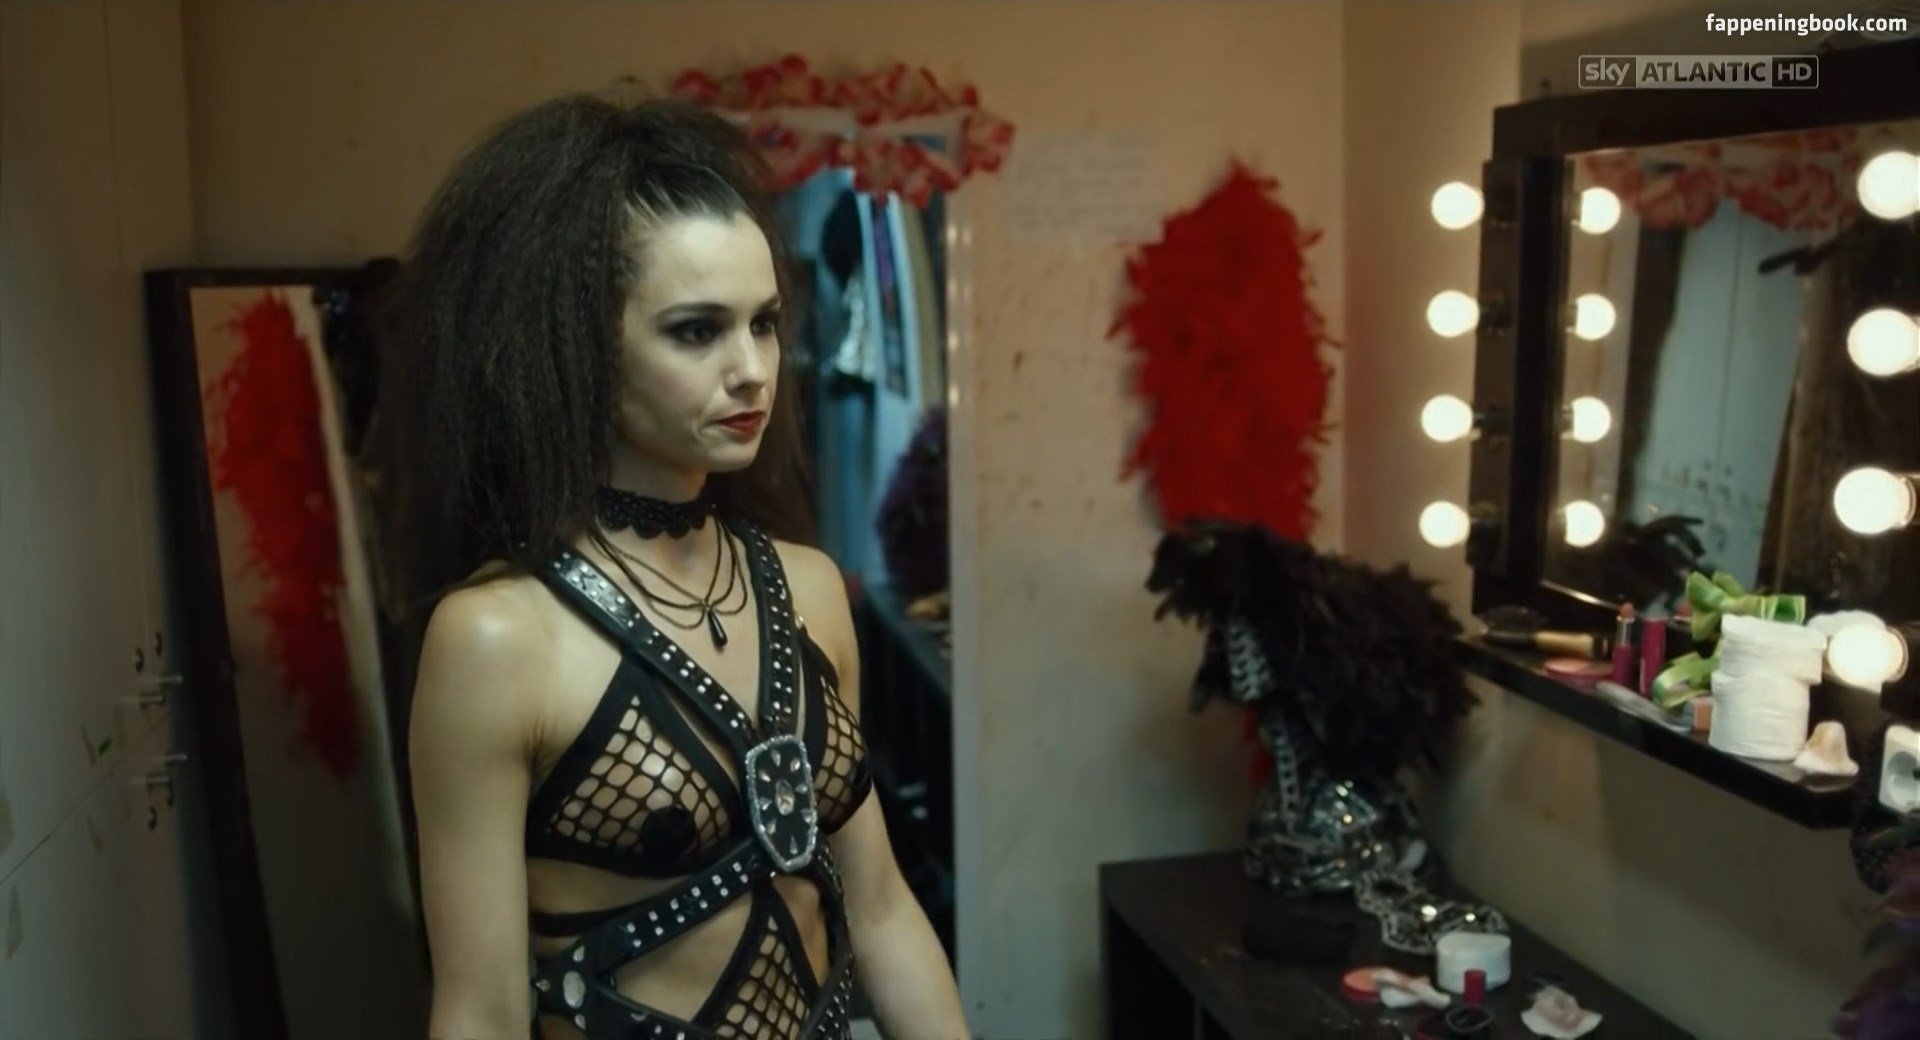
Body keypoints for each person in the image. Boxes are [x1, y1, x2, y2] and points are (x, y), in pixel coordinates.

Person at [374, 92, 968, 1040]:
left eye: (765, 323)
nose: (753, 369)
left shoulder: (809, 587)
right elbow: (481, 1009)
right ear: (579, 350)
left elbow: (883, 910)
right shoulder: (498, 638)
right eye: (697, 330)